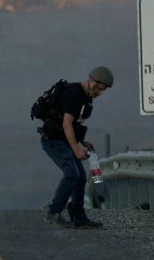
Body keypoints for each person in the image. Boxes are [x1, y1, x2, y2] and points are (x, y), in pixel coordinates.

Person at [41, 67, 113, 229]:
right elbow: (67, 124)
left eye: (103, 90)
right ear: (91, 81)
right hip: (53, 141)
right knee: (72, 173)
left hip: (64, 141)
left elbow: (75, 124)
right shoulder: (74, 94)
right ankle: (53, 212)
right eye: (99, 88)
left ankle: (79, 217)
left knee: (80, 177)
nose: (100, 92)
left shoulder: (85, 98)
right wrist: (76, 150)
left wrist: (84, 141)